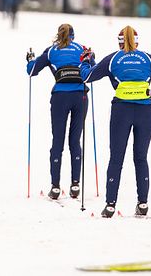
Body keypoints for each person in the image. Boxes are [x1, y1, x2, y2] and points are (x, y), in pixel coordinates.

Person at [79, 26, 151, 218]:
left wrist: (87, 60)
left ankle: (110, 205)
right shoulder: (148, 58)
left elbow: (87, 77)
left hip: (121, 111)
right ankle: (143, 204)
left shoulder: (113, 58)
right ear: (137, 41)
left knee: (116, 158)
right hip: (145, 112)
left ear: (119, 42)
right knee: (141, 158)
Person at [26, 24, 94, 200]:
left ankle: (55, 187)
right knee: (74, 141)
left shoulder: (51, 50)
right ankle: (75, 185)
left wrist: (30, 59)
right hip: (80, 97)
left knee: (58, 141)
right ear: (73, 35)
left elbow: (32, 71)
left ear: (58, 35)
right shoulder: (82, 49)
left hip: (60, 97)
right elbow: (92, 69)